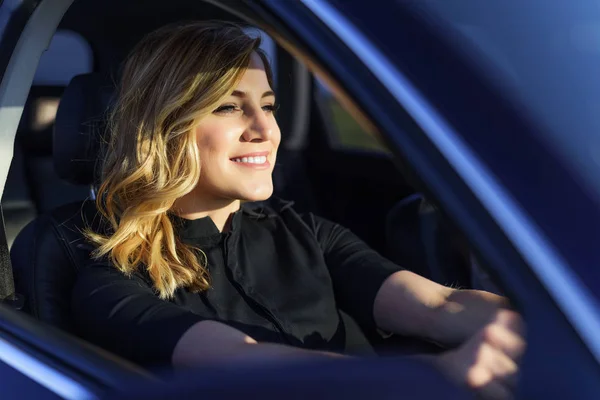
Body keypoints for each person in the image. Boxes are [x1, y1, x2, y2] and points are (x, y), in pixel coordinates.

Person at [72, 21, 525, 400]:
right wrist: (433, 376)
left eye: (268, 106)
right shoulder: (110, 277)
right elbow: (242, 360)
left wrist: (534, 331)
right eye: (229, 107)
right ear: (167, 126)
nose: (265, 129)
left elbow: (437, 304)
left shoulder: (301, 231)